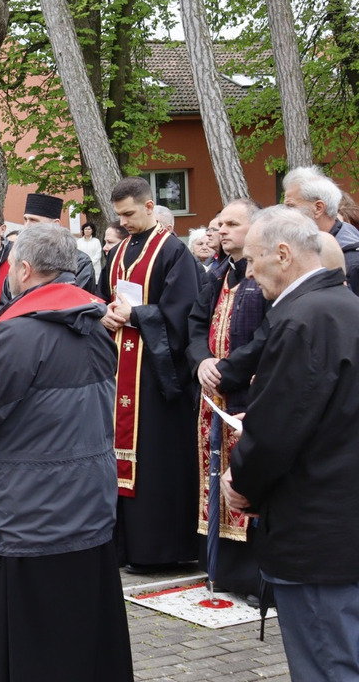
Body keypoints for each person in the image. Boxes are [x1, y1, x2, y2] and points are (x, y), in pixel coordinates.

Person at [0, 223, 133, 681]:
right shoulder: (92, 325)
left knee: (28, 656)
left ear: (22, 269)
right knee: (83, 648)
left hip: (24, 524)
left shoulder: (20, 335)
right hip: (85, 514)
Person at [222, 207, 359, 682]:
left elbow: (279, 435)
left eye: (253, 259)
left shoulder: (301, 320)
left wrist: (241, 481)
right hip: (342, 523)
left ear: (282, 254)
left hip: (316, 533)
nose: (248, 272)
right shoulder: (346, 307)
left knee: (327, 664)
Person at [98, 177, 201, 571]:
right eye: (119, 215)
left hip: (156, 378)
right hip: (119, 368)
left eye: (129, 213)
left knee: (156, 462)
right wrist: (105, 313)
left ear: (149, 206)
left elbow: (183, 313)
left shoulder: (174, 252)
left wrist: (137, 315)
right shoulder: (120, 249)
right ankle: (125, 547)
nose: (123, 222)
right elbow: (100, 294)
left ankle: (161, 550)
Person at [186, 198, 266, 600]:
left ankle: (252, 577)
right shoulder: (218, 272)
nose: (222, 230)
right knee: (212, 477)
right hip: (211, 395)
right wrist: (201, 361)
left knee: (245, 477)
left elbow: (268, 335)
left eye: (233, 223)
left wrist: (228, 370)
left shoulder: (262, 276)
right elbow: (197, 321)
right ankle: (219, 568)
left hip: (246, 393)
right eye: (219, 224)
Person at [282, 165, 359, 293]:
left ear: (318, 208)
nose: (285, 214)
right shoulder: (299, 249)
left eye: (290, 206)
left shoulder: (353, 262)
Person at [16, 193, 97, 293]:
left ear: (55, 224)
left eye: (33, 220)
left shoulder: (80, 262)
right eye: (25, 219)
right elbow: (7, 297)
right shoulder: (19, 256)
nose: (27, 226)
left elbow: (75, 298)